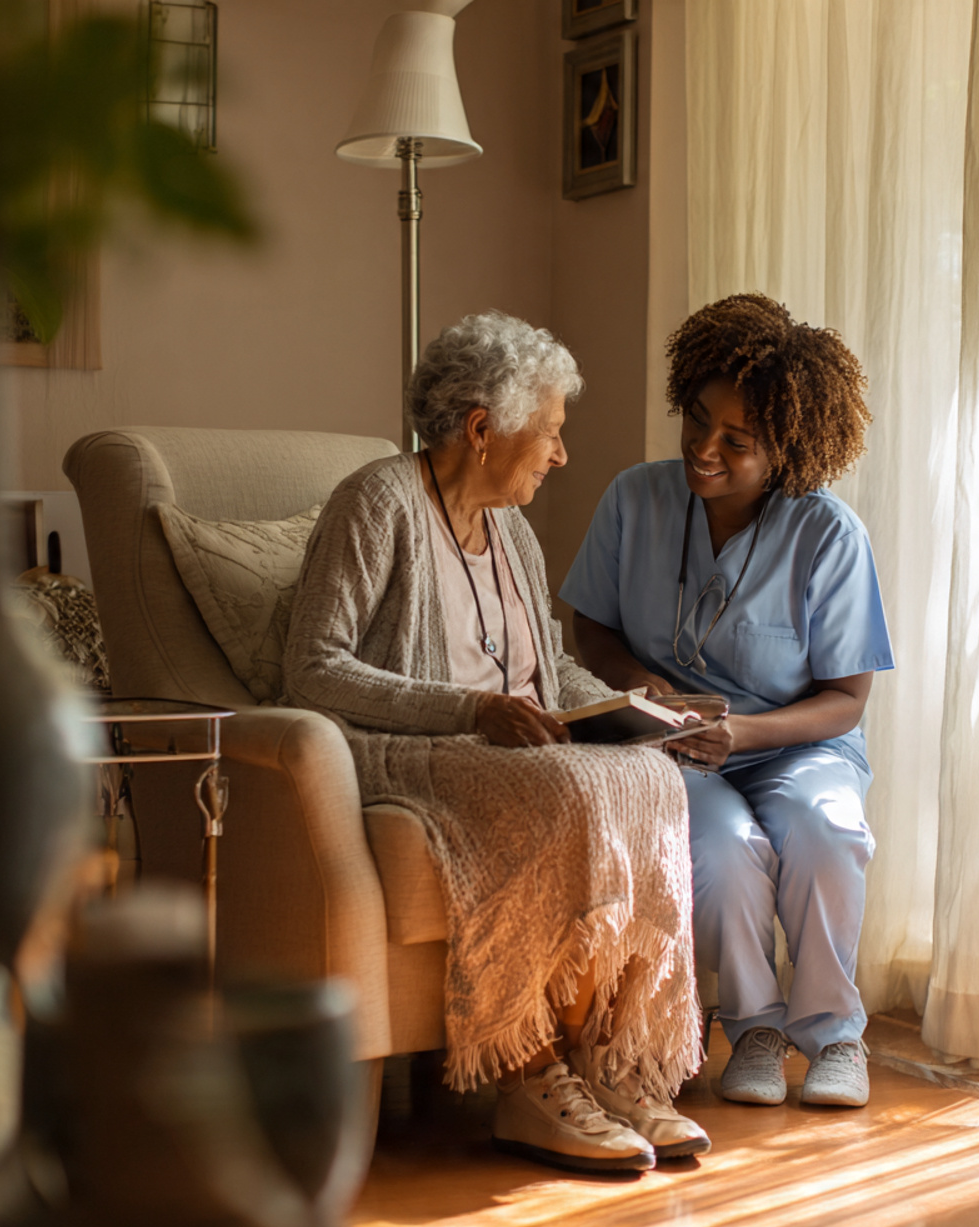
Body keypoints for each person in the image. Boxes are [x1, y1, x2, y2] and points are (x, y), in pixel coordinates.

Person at [282, 312, 707, 1172]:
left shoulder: (510, 526)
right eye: (549, 431)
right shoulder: (378, 501)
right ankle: (526, 1074)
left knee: (650, 777)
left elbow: (548, 667)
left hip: (507, 748)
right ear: (482, 429)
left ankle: (606, 1056)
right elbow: (312, 669)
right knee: (567, 789)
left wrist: (644, 709)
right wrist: (466, 713)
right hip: (399, 749)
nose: (559, 455)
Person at [560, 294, 893, 1108]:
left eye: (736, 442)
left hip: (796, 743)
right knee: (719, 842)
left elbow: (847, 698)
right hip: (671, 744)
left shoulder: (829, 535)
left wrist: (745, 734)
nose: (703, 450)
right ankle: (754, 1030)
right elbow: (589, 631)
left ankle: (835, 1036)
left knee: (826, 830)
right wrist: (649, 691)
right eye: (697, 420)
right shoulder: (633, 500)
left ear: (789, 449)